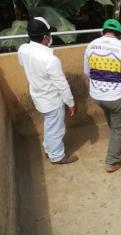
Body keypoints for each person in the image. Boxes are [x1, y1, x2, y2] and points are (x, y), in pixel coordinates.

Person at [83, 19, 121, 173]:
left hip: (97, 96)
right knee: (120, 128)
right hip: (117, 97)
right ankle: (112, 162)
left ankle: (115, 139)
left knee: (111, 115)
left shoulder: (91, 45)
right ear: (120, 34)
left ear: (102, 31)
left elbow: (86, 72)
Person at [18, 17, 78, 165]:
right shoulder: (50, 60)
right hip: (52, 100)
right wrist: (70, 103)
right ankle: (57, 156)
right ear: (45, 37)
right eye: (49, 34)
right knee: (57, 129)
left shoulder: (23, 49)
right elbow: (62, 84)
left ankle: (48, 148)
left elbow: (23, 65)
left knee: (50, 125)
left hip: (38, 96)